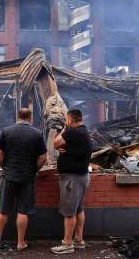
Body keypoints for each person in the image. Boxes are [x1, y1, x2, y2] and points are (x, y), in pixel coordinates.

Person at [0, 108, 47, 251]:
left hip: (8, 176)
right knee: (23, 210)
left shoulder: (6, 131)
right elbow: (43, 157)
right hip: (27, 177)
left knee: (3, 210)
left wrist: (4, 166)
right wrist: (34, 169)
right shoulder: (37, 134)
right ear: (30, 118)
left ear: (17, 116)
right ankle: (20, 243)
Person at [50, 109, 92, 255]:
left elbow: (55, 143)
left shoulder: (72, 131)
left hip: (72, 178)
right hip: (83, 176)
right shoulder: (84, 130)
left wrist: (64, 129)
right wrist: (65, 147)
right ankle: (79, 240)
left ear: (70, 119)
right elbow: (71, 147)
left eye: (66, 119)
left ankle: (67, 243)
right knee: (79, 209)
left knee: (69, 212)